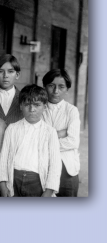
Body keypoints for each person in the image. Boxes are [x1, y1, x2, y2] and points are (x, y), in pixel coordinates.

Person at [0, 84, 62, 197]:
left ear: (45, 107)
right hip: (14, 179)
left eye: (37, 105)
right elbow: (3, 158)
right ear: (21, 106)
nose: (32, 109)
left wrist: (49, 191)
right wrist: (3, 185)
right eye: (27, 104)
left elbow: (55, 164)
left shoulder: (50, 132)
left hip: (37, 182)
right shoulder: (12, 128)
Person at [42, 69, 80, 197]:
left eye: (61, 86)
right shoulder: (38, 109)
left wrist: (48, 139)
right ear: (45, 87)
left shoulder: (71, 111)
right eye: (51, 86)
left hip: (67, 170)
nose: (55, 91)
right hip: (43, 168)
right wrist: (59, 134)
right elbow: (36, 139)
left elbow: (73, 142)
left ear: (67, 89)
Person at [0, 54, 23, 127]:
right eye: (1, 71)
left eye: (10, 71)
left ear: (17, 75)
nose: (5, 75)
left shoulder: (24, 98)